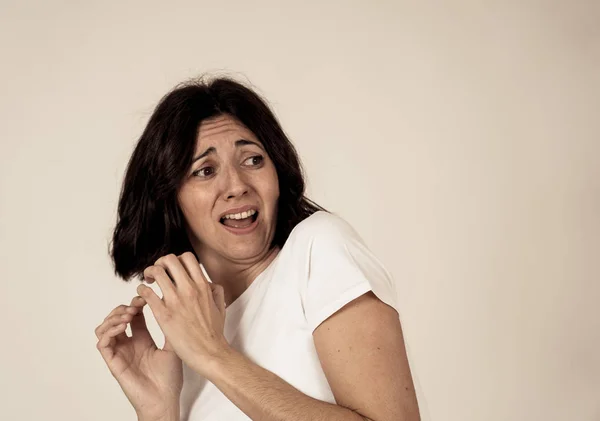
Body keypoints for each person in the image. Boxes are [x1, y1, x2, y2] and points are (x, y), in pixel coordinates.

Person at [95, 76, 421, 421]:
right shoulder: (191, 337)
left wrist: (213, 354)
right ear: (170, 200)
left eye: (252, 160)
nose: (236, 186)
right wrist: (158, 409)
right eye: (205, 170)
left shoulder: (318, 248)